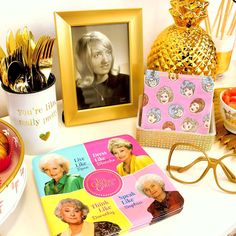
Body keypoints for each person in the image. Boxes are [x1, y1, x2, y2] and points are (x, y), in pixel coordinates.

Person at [75, 31, 130, 109]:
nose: (106, 60)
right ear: (84, 60)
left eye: (108, 53)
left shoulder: (126, 81)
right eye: (97, 55)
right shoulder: (77, 90)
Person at [55, 198, 121, 236]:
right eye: (67, 211)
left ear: (83, 213)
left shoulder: (104, 226)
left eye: (76, 211)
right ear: (60, 214)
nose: (72, 214)